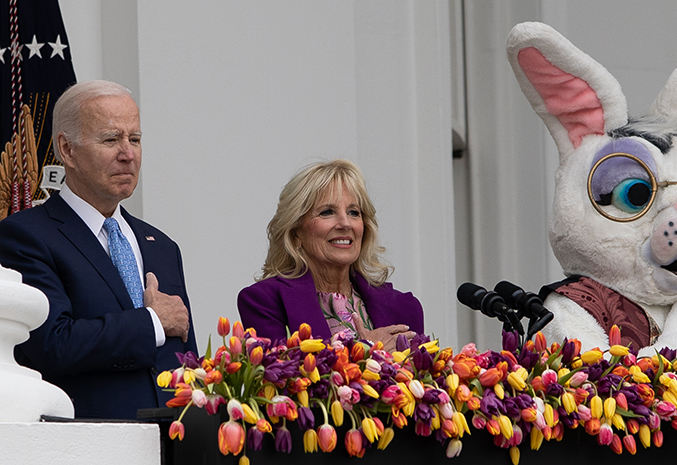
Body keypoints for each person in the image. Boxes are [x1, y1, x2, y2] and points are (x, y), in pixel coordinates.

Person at [0, 80, 197, 420]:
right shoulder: (24, 236)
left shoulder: (162, 246)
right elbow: (54, 344)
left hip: (175, 444)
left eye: (134, 139)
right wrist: (151, 322)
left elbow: (185, 360)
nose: (128, 154)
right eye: (111, 139)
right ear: (68, 150)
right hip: (89, 443)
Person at [238, 159, 423, 351]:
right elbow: (284, 377)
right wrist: (368, 349)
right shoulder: (265, 302)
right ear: (295, 233)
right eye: (327, 212)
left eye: (353, 212)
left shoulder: (405, 307)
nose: (345, 223)